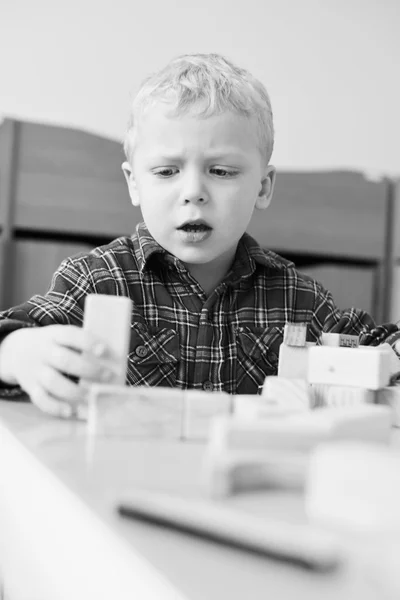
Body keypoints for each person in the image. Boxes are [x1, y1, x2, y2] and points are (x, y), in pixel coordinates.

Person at [0, 53, 397, 419]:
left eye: (221, 171)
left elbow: (376, 345)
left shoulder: (299, 301)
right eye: (166, 171)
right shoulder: (96, 281)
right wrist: (14, 352)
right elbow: (14, 331)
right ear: (134, 183)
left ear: (262, 187)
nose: (194, 191)